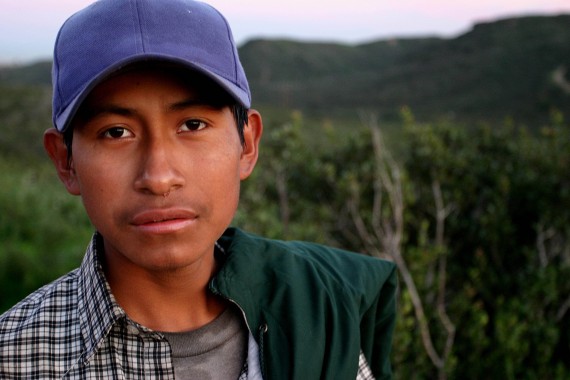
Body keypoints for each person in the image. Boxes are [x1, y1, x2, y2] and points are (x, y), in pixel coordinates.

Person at [0, 0, 397, 378]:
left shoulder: (318, 310)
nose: (159, 178)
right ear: (65, 161)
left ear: (247, 144)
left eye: (192, 125)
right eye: (116, 132)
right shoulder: (14, 358)